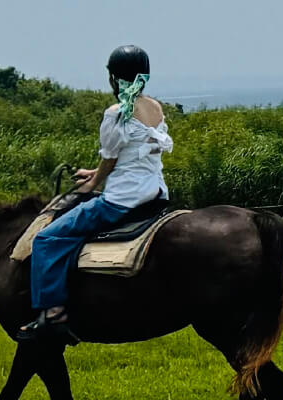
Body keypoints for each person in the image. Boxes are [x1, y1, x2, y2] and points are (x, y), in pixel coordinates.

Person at [19, 45, 173, 342]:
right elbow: (132, 156)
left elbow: (112, 156)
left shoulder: (116, 112)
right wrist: (96, 171)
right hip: (155, 193)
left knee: (47, 239)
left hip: (122, 200)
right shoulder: (154, 107)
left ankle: (52, 313)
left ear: (114, 78)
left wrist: (92, 183)